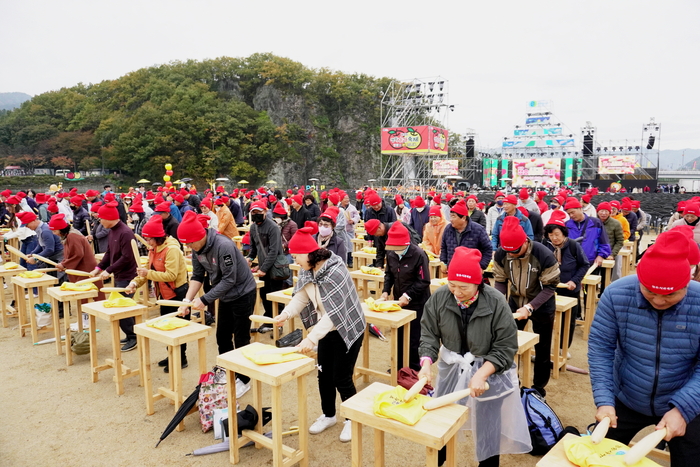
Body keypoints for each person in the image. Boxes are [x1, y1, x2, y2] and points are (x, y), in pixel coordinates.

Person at [588, 229, 700, 467]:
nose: (658, 301)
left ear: (686, 284)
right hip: (626, 395)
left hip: (684, 397)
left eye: (670, 295)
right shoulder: (617, 294)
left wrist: (683, 409)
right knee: (596, 457)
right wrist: (605, 400)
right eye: (649, 291)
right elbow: (601, 348)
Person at [418, 247, 530, 467]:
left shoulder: (496, 302)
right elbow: (429, 332)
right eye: (452, 285)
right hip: (453, 366)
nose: (457, 292)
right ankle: (440, 460)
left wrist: (483, 373)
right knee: (443, 417)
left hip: (488, 371)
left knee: (488, 423)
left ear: (478, 283)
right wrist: (426, 363)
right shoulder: (441, 297)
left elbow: (505, 346)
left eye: (463, 287)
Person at [273, 224, 366, 443]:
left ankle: (352, 419)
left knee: (341, 376)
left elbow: (334, 314)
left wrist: (311, 338)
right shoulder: (308, 271)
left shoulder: (335, 271)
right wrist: (285, 314)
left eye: (296, 256)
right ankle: (329, 415)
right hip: (326, 329)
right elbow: (301, 297)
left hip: (347, 327)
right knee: (323, 373)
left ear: (308, 254)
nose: (294, 260)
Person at [176, 211, 257, 398]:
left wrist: (204, 300)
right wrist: (187, 301)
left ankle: (244, 379)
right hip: (225, 294)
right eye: (186, 244)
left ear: (200, 236)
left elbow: (230, 280)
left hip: (242, 292)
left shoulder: (224, 245)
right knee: (222, 336)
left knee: (241, 338)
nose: (189, 247)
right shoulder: (197, 250)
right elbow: (197, 276)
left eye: (190, 243)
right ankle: (229, 370)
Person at [492, 217, 560, 397]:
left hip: (541, 304)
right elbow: (500, 281)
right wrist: (500, 303)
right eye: (509, 252)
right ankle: (511, 381)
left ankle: (538, 388)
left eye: (515, 251)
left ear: (525, 242)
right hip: (515, 302)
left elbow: (550, 287)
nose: (512, 254)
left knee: (542, 347)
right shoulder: (501, 254)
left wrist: (530, 307)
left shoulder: (543, 254)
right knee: (508, 343)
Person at [126, 215, 189, 373]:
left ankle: (181, 358)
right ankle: (171, 354)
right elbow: (147, 270)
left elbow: (171, 276)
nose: (148, 242)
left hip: (177, 293)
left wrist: (147, 273)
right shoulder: (153, 249)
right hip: (164, 294)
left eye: (150, 239)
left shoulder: (172, 250)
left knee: (179, 327)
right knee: (167, 327)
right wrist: (134, 282)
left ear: (158, 237)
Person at [379, 222, 430, 371]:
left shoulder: (419, 254)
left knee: (414, 338)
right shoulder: (391, 254)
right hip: (399, 301)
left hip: (417, 302)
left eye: (398, 248)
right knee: (399, 336)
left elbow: (424, 281)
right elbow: (389, 274)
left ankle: (413, 369)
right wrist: (386, 291)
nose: (395, 251)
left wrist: (408, 295)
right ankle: (399, 366)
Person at [89, 202, 138, 352]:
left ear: (110, 218)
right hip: (119, 275)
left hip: (128, 275)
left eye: (101, 219)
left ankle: (133, 336)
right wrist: (99, 268)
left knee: (122, 308)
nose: (100, 222)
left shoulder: (125, 232)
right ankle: (131, 334)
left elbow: (127, 257)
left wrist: (108, 270)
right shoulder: (112, 231)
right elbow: (109, 253)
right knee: (120, 306)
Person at [543, 211, 589, 347]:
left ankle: (563, 348)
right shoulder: (545, 246)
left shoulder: (573, 246)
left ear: (564, 233)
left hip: (569, 288)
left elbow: (584, 264)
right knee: (547, 319)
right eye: (551, 235)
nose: (554, 238)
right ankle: (546, 349)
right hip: (549, 289)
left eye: (557, 234)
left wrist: (574, 280)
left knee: (567, 321)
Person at [246, 201, 286, 328]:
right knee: (264, 294)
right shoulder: (253, 228)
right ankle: (269, 320)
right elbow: (254, 248)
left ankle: (278, 323)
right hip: (263, 267)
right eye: (253, 212)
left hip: (275, 266)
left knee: (275, 294)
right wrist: (250, 258)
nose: (256, 214)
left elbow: (274, 250)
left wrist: (263, 268)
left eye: (258, 212)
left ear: (265, 212)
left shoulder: (272, 227)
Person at [49, 214, 104, 297]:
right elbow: (70, 253)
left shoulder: (72, 236)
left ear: (62, 229)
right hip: (79, 266)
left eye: (55, 231)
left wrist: (64, 264)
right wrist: (64, 263)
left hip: (84, 267)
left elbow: (78, 254)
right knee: (84, 292)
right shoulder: (68, 235)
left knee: (87, 292)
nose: (54, 234)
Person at [440, 199, 492, 272]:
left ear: (463, 218)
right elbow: (444, 248)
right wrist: (444, 262)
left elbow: (488, 249)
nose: (450, 219)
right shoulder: (448, 229)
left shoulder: (478, 230)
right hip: (452, 270)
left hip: (472, 271)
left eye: (453, 216)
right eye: (450, 216)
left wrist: (481, 266)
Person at [564, 198, 611, 271]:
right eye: (569, 214)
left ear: (580, 209)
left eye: (573, 212)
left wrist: (601, 255)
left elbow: (604, 242)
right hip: (572, 262)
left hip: (591, 261)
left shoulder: (595, 222)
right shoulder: (566, 225)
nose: (571, 215)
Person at [597, 202, 625, 286]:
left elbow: (620, 241)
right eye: (601, 211)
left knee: (605, 278)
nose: (603, 213)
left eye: (606, 211)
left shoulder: (616, 223)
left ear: (610, 212)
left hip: (608, 255)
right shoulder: (593, 222)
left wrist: (612, 254)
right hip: (594, 254)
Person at [340, 192, 360, 267]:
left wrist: (353, 220)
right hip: (341, 231)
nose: (347, 200)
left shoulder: (352, 207)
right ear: (341, 200)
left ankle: (350, 261)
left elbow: (357, 216)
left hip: (349, 230)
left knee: (350, 246)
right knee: (342, 247)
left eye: (348, 198)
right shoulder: (339, 207)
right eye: (345, 198)